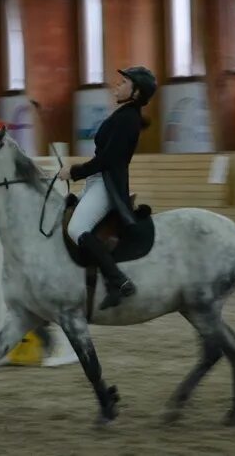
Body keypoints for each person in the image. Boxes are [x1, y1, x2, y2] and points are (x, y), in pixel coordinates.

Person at [57, 65, 157, 309]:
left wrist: (75, 171)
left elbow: (107, 160)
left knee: (77, 228)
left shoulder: (127, 118)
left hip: (107, 182)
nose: (117, 85)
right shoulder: (124, 115)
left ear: (136, 93)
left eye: (124, 83)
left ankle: (118, 281)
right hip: (98, 180)